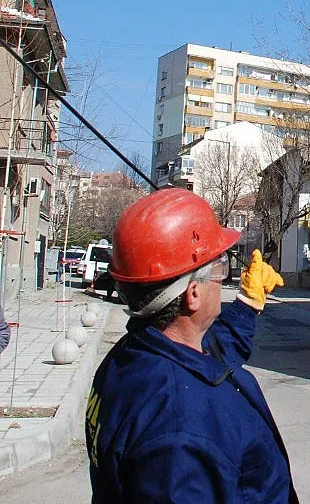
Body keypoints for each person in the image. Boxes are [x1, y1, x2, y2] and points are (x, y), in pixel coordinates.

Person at [85, 188, 297, 503]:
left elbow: (212, 355)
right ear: (193, 293)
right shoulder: (178, 433)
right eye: (219, 269)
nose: (222, 279)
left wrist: (248, 303)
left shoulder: (133, 356)